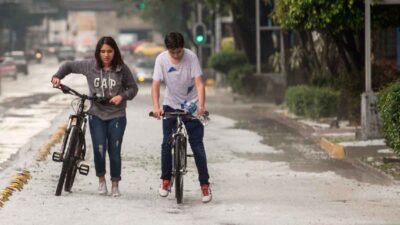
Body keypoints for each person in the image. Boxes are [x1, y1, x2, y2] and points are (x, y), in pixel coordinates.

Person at [51, 36, 138, 197]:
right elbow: (68, 65)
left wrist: (122, 96)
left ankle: (115, 184)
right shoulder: (90, 66)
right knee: (99, 149)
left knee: (114, 150)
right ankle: (101, 181)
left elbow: (133, 89)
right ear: (98, 53)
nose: (106, 55)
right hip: (96, 114)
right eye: (103, 51)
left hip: (117, 115)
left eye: (109, 51)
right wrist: (58, 76)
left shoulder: (122, 69)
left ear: (115, 52)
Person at [151, 31, 212, 203]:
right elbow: (155, 84)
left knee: (197, 145)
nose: (176, 55)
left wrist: (201, 106)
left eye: (179, 51)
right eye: (173, 52)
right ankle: (165, 180)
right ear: (168, 50)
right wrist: (156, 107)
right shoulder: (161, 59)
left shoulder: (191, 57)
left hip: (191, 104)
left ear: (183, 48)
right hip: (170, 103)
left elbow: (200, 83)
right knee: (166, 142)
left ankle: (204, 185)